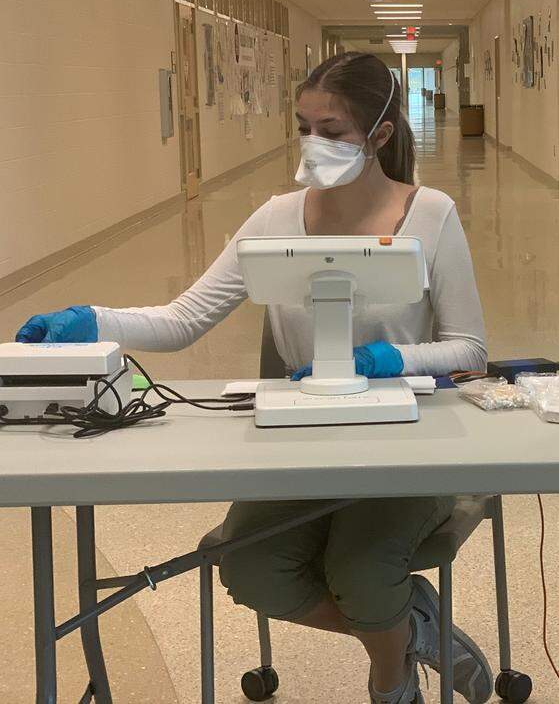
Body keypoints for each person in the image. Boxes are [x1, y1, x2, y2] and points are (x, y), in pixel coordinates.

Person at [15, 52, 492, 704]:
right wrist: (91, 319)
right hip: (304, 440)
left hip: (408, 442)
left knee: (361, 569)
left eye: (332, 130)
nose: (313, 143)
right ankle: (411, 625)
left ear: (381, 134)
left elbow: (470, 350)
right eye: (304, 127)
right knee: (248, 567)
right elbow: (184, 318)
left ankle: (392, 679)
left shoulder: (431, 214)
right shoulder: (275, 218)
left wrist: (393, 360)